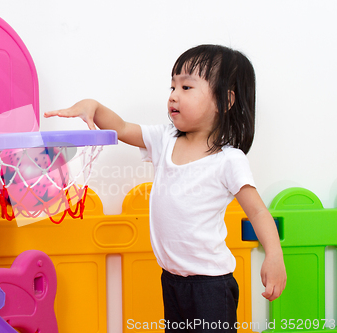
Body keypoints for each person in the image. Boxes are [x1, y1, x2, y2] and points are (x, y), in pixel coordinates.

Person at [44, 44, 286, 332]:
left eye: (186, 87)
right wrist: (93, 106)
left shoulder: (229, 160)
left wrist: (274, 255)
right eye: (172, 86)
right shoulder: (166, 139)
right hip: (172, 279)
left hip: (211, 285)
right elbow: (121, 127)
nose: (173, 95)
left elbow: (258, 212)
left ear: (225, 100)